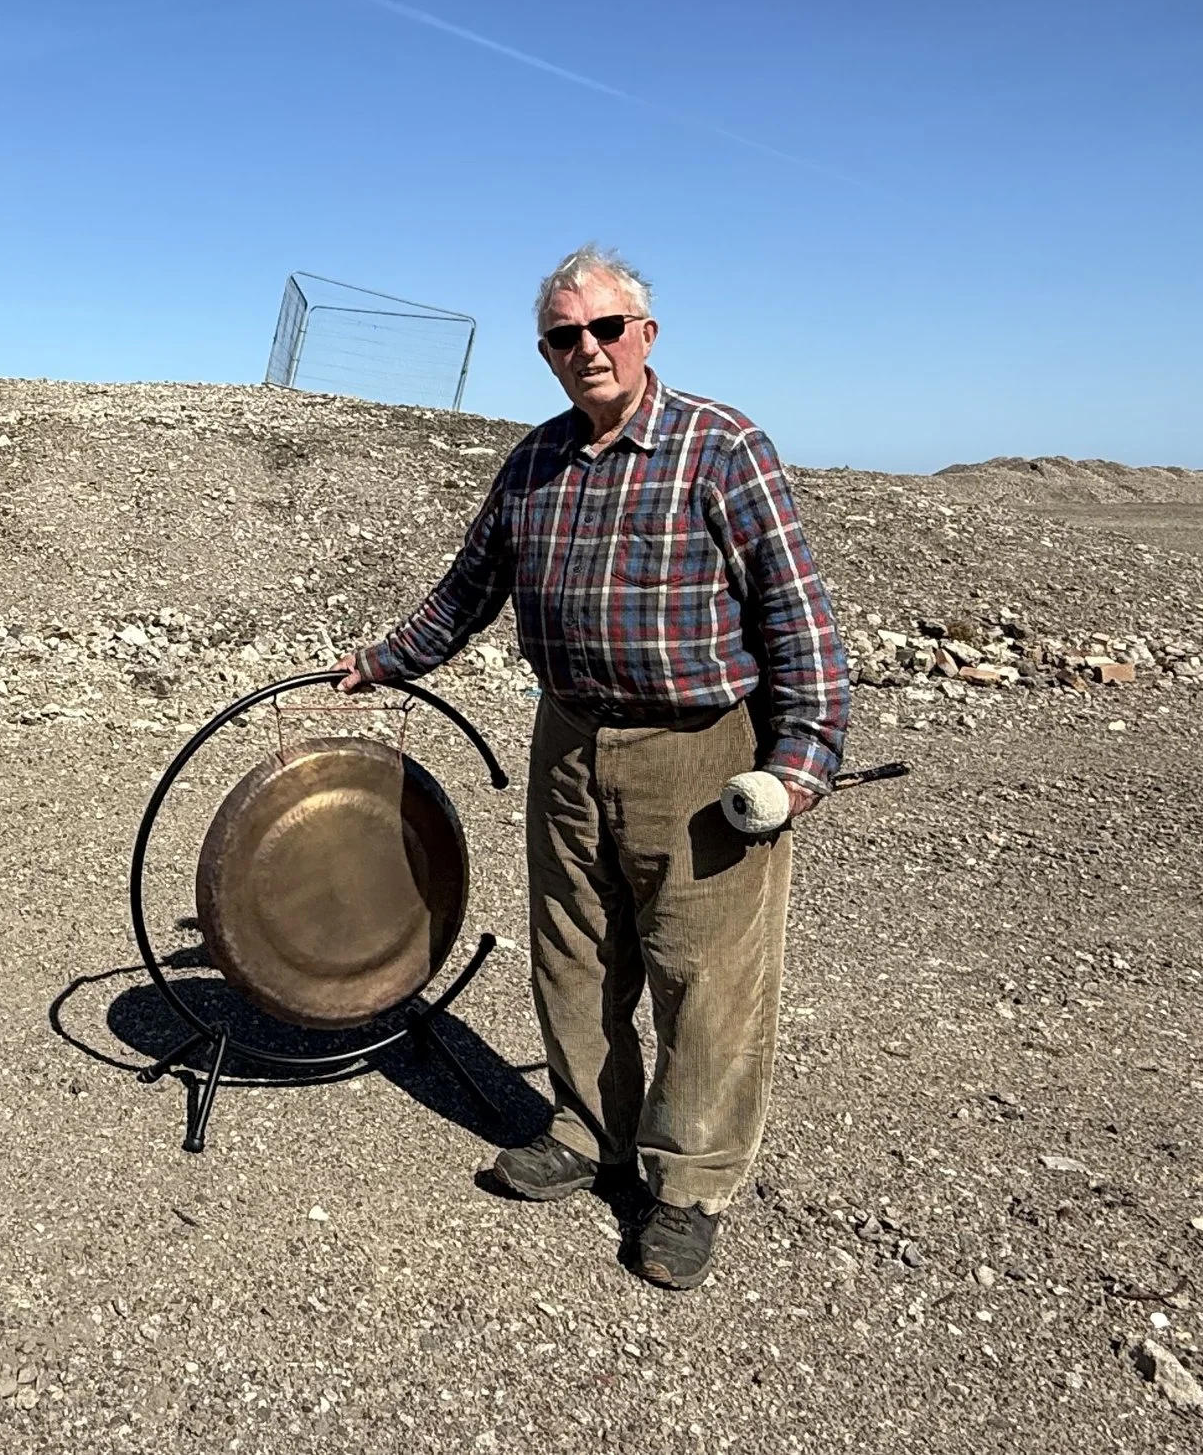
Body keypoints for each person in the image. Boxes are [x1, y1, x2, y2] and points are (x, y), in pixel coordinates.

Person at [336, 243, 848, 1291]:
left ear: (645, 336)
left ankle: (689, 1185)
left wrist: (801, 762)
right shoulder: (531, 463)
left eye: (604, 329)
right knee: (572, 950)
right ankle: (586, 1129)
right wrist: (383, 662)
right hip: (566, 738)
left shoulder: (721, 448)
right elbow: (466, 590)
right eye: (563, 337)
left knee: (703, 977)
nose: (586, 350)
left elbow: (797, 619)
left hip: (699, 749)